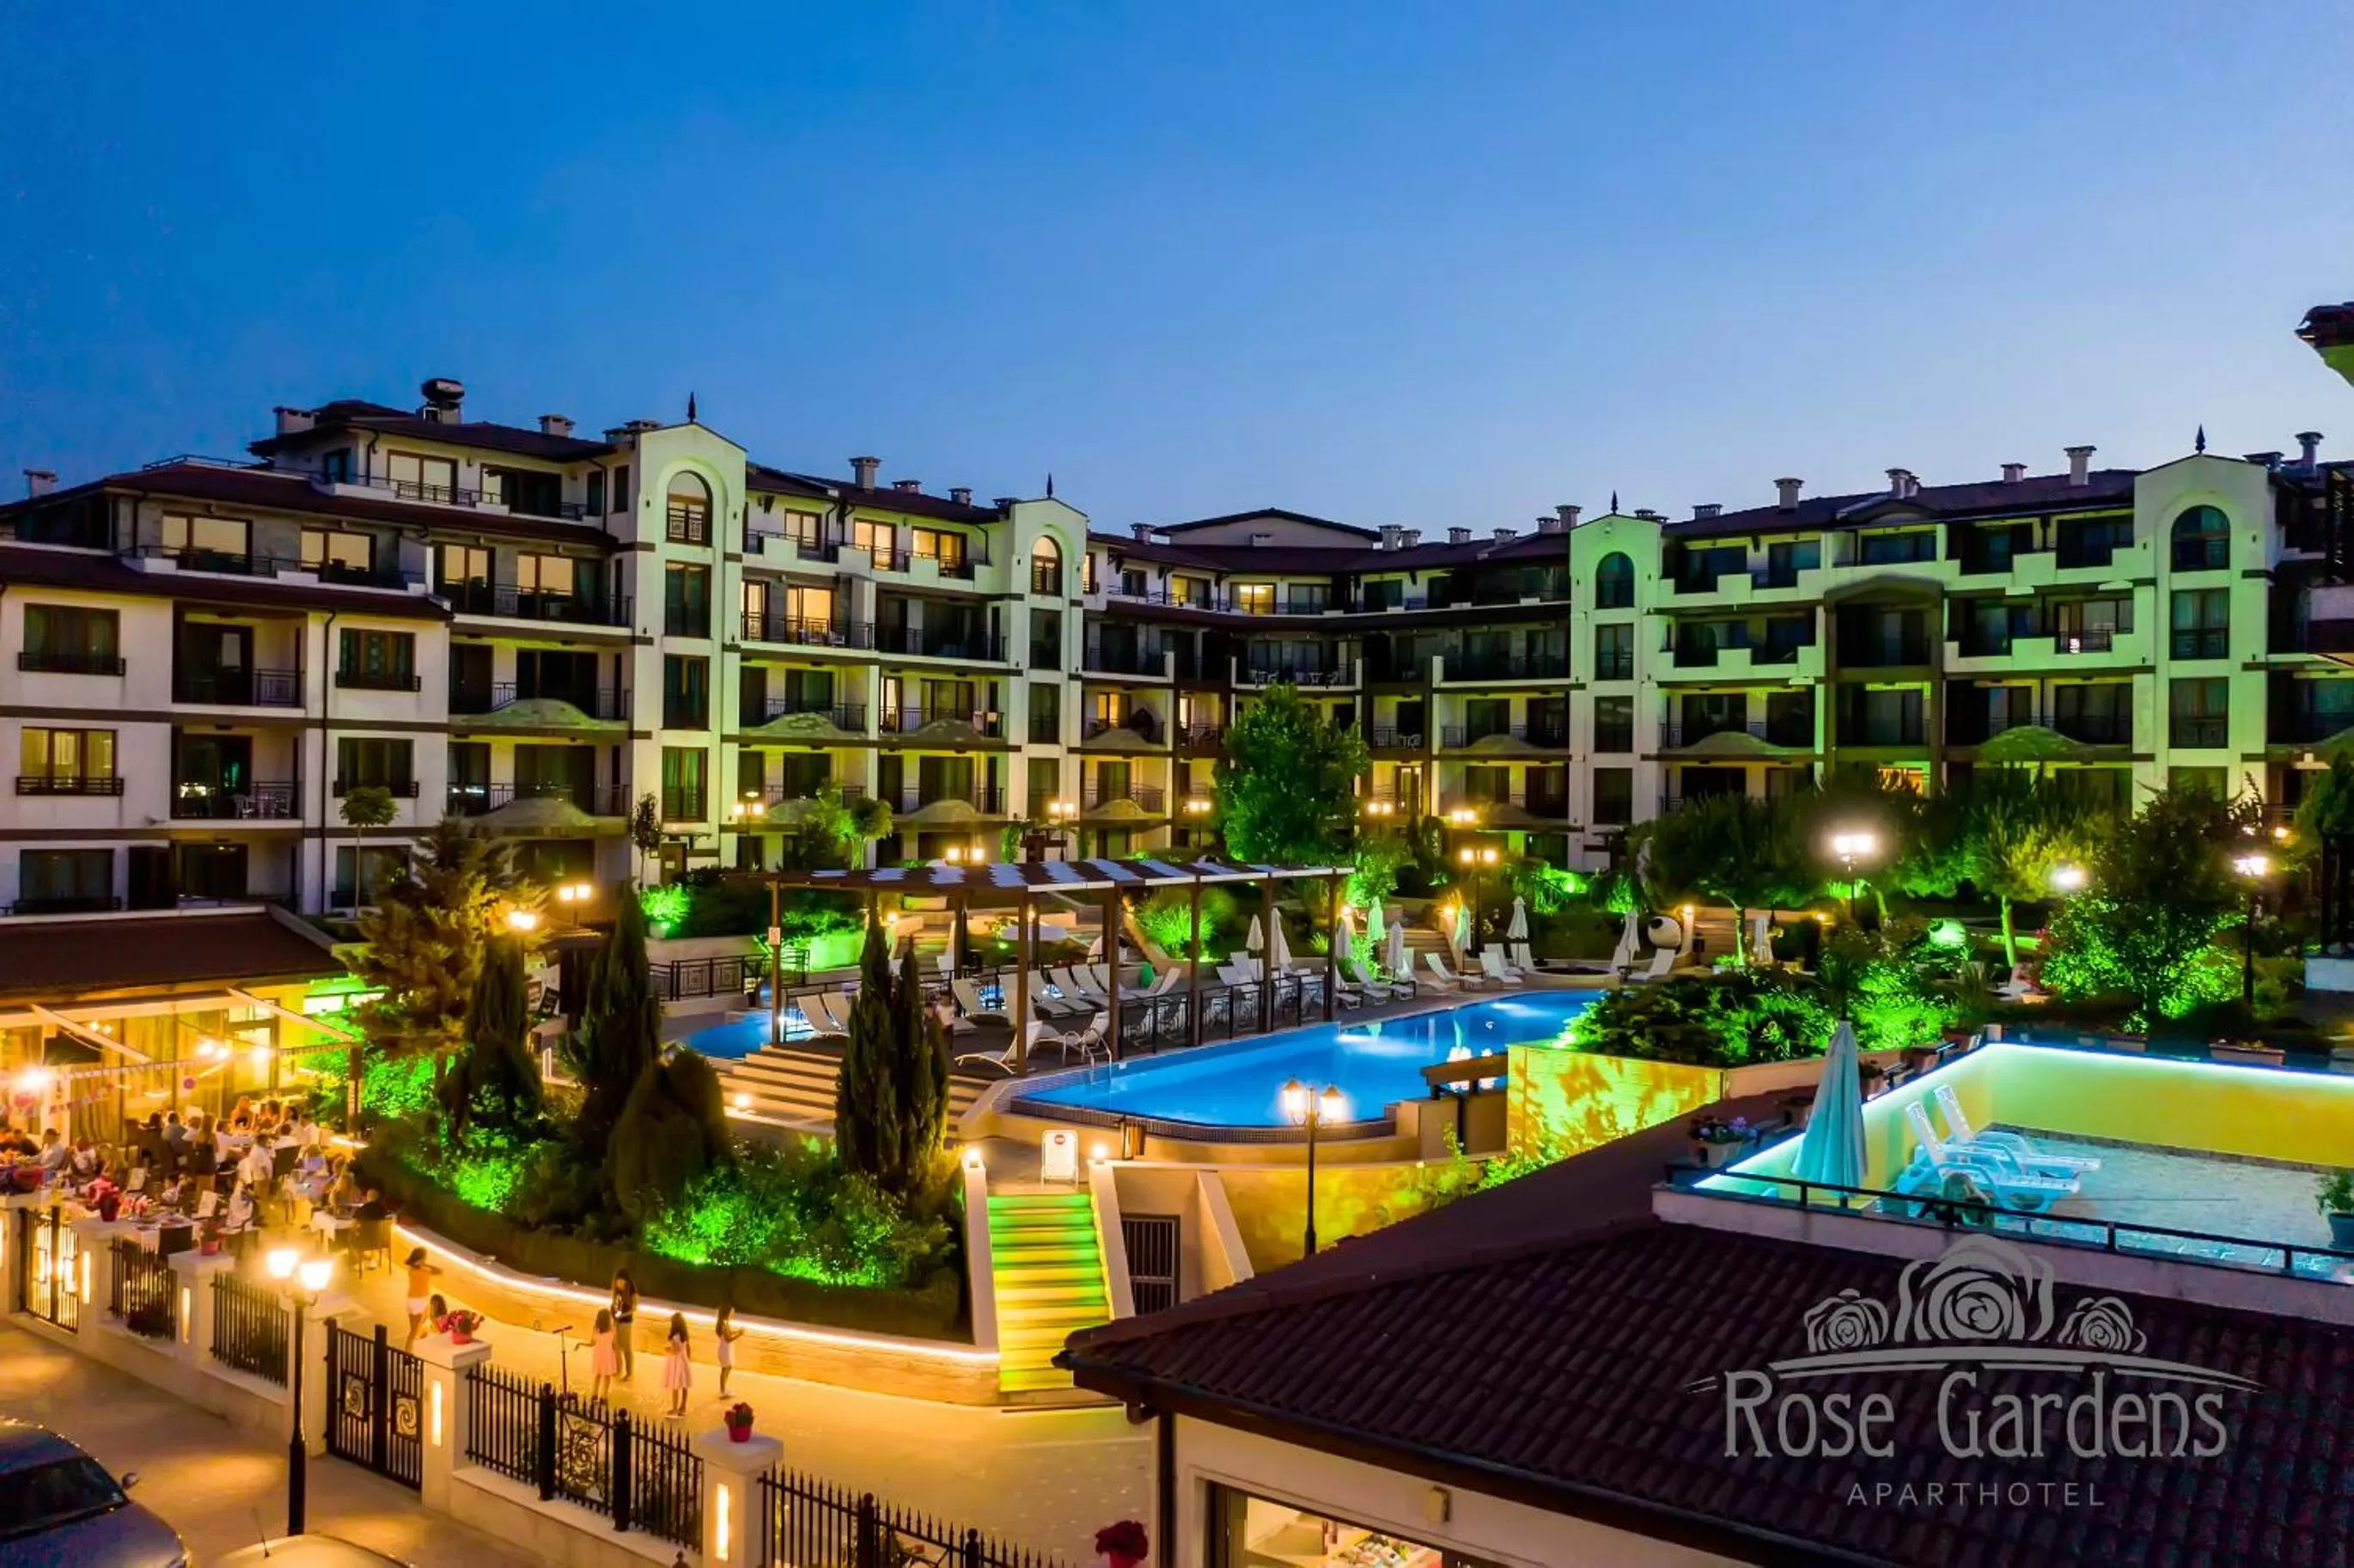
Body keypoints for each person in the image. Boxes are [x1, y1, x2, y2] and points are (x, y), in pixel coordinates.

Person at [402, 1247, 442, 1349]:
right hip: (419, 1303)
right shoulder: (424, 1271)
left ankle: (413, 1350)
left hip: (411, 1301)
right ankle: (407, 1352)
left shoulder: (411, 1269)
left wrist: (422, 1264)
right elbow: (439, 1271)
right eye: (424, 1257)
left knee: (415, 1330)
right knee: (415, 1331)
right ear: (420, 1258)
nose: (425, 1259)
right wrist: (425, 1264)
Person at [662, 1312, 692, 1418]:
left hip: (676, 1363)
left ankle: (674, 1410)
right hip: (683, 1361)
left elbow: (674, 1351)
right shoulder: (685, 1336)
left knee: (675, 1386)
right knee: (684, 1385)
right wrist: (688, 1359)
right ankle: (683, 1407)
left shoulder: (675, 1337)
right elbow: (687, 1348)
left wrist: (667, 1349)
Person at [611, 1271, 638, 1381]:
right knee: (616, 1346)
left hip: (626, 1322)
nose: (618, 1283)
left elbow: (634, 1308)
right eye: (617, 1281)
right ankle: (618, 1369)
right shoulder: (617, 1292)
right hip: (617, 1321)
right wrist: (615, 1314)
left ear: (625, 1282)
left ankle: (629, 1373)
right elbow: (615, 1305)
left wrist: (622, 1315)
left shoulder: (632, 1293)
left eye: (620, 1281)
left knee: (626, 1347)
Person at [590, 1308, 619, 1402]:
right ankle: (604, 1396)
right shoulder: (612, 1330)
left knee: (597, 1375)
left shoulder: (595, 1329)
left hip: (598, 1355)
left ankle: (594, 1394)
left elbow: (592, 1342)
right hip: (608, 1356)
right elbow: (615, 1345)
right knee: (607, 1377)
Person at [714, 1303, 743, 1397]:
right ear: (727, 1313)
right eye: (732, 1312)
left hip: (725, 1349)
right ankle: (722, 1391)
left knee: (728, 1367)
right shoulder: (724, 1325)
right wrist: (740, 1334)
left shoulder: (724, 1323)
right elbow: (728, 1339)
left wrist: (737, 1331)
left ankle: (724, 1388)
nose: (733, 1314)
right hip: (725, 1349)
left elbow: (728, 1333)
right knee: (725, 1368)